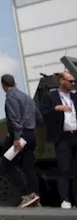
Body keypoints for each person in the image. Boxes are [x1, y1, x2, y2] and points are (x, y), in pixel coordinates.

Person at [1, 73, 41, 207]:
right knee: (29, 166)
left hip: (20, 136)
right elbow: (39, 118)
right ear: (15, 82)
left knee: (7, 161)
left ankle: (25, 192)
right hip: (31, 135)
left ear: (3, 85)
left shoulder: (11, 97)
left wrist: (17, 138)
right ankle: (34, 194)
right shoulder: (27, 97)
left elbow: (14, 119)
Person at [41, 69, 77, 209]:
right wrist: (56, 108)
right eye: (70, 81)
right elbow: (43, 114)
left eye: (74, 81)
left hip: (75, 135)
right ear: (62, 81)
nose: (73, 84)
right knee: (64, 168)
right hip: (62, 137)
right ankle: (65, 199)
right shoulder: (50, 96)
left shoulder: (75, 97)